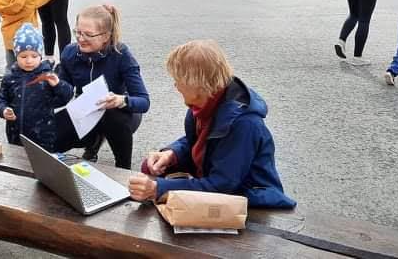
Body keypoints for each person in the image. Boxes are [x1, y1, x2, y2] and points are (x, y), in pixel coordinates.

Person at [127, 40, 296, 208]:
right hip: (222, 180)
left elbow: (222, 186)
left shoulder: (244, 124)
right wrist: (172, 154)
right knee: (150, 167)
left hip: (248, 195)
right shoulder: (204, 102)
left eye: (178, 80)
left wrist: (159, 189)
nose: (176, 86)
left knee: (152, 188)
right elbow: (201, 142)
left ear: (197, 85)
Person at [55, 4, 150, 169]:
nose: (80, 39)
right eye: (78, 32)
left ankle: (123, 168)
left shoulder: (121, 55)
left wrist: (122, 100)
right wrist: (50, 87)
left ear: (106, 36)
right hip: (86, 110)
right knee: (50, 135)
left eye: (88, 34)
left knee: (113, 116)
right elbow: (62, 95)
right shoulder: (69, 53)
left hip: (120, 114)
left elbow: (144, 101)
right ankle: (93, 141)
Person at [0, 23, 73, 149]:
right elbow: (1, 99)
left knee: (41, 161)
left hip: (44, 136)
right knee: (16, 159)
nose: (29, 60)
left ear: (40, 56)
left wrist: (58, 85)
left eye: (34, 56)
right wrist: (3, 110)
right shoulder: (10, 78)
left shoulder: (48, 76)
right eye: (23, 56)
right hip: (15, 135)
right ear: (16, 55)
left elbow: (66, 97)